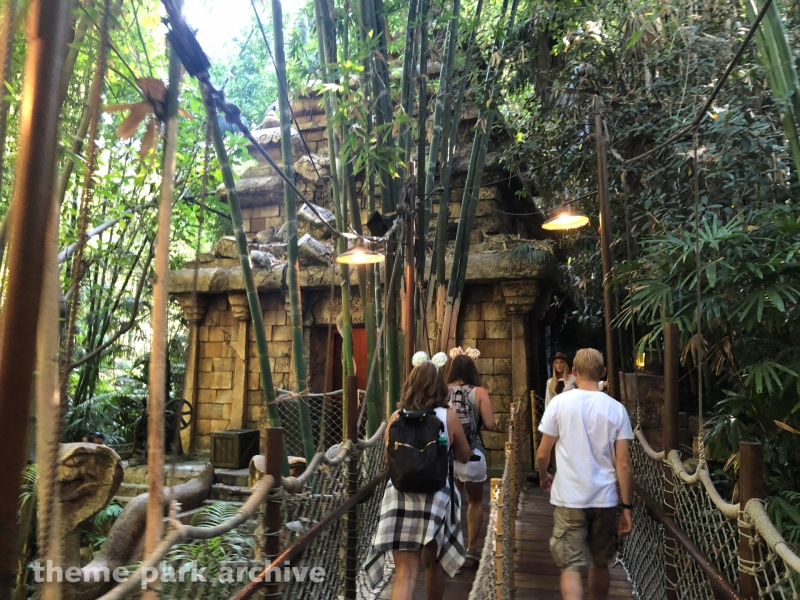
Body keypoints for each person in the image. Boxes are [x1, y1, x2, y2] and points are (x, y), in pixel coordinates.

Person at [366, 355, 472, 600]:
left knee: (405, 572)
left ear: (410, 385)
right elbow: (464, 456)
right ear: (440, 386)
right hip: (436, 496)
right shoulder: (448, 416)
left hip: (400, 496)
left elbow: (388, 460)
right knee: (434, 563)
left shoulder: (396, 417)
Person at [536, 348, 634, 600]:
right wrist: (626, 507)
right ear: (603, 372)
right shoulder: (617, 410)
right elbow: (623, 464)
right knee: (600, 562)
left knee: (570, 565)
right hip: (605, 499)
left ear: (575, 372)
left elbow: (542, 453)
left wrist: (544, 475)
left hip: (569, 497)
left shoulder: (559, 404)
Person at [446, 346, 495, 565]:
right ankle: (471, 549)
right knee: (475, 501)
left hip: (449, 455)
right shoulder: (479, 392)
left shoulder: (442, 391)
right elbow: (491, 424)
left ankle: (452, 547)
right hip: (473, 453)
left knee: (452, 500)